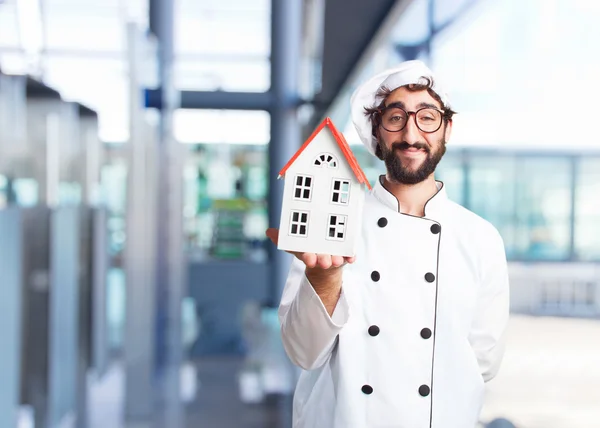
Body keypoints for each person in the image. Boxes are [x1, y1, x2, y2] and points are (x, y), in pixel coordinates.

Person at [266, 60, 510, 428]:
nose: (411, 135)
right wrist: (325, 280)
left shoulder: (481, 238)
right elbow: (302, 352)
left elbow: (482, 363)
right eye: (396, 118)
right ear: (377, 132)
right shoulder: (334, 221)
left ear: (447, 129)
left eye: (427, 117)